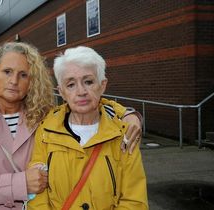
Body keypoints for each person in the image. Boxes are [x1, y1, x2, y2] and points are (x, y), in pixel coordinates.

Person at [0, 42, 142, 210]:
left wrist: (128, 114)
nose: (14, 81)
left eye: (23, 75)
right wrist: (21, 183)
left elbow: (84, 102)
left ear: (32, 82)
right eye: (7, 72)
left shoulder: (43, 116)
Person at [27, 46, 148, 210]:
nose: (81, 91)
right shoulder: (46, 130)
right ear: (61, 92)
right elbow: (37, 195)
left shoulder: (124, 133)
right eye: (71, 85)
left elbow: (134, 201)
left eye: (89, 82)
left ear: (102, 85)